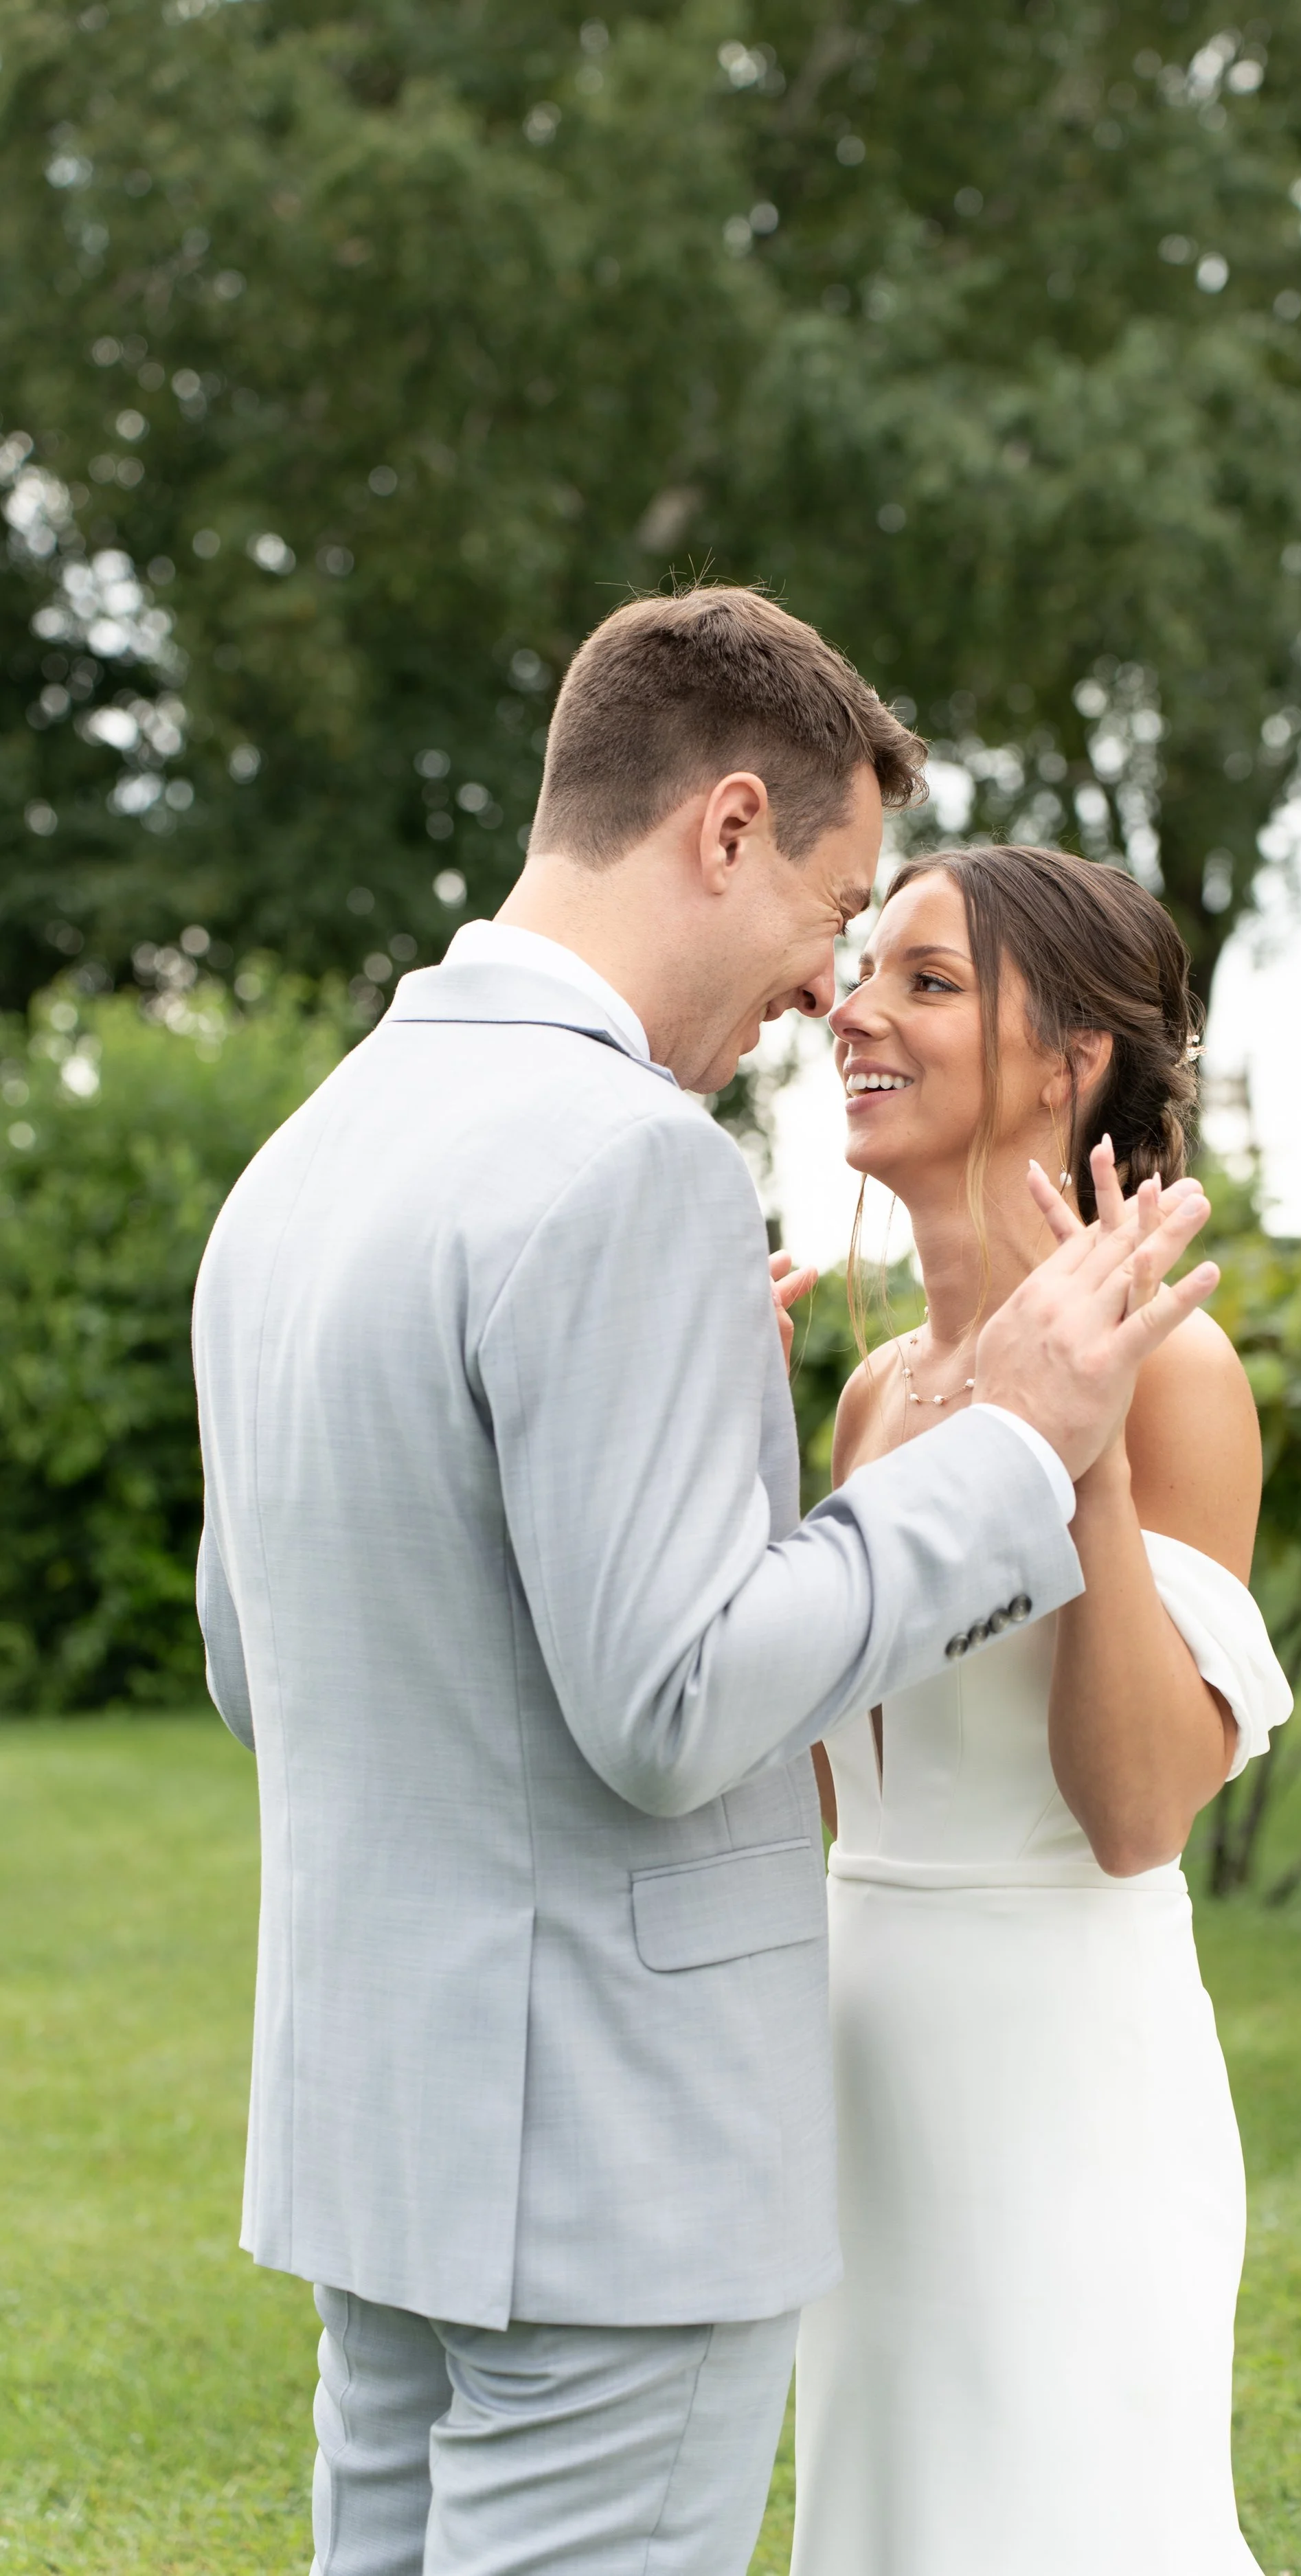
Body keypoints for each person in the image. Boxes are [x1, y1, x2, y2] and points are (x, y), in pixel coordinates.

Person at [191, 591, 1223, 2576]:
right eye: (834, 910)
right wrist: (1013, 1446)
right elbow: (668, 1707)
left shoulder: (302, 1162)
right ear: (726, 828)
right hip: (605, 2162)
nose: (814, 988)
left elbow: (264, 1659)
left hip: (381, 2136)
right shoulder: (628, 1158)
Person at [791, 845, 1293, 2576]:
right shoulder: (868, 1394)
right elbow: (837, 1791)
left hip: (1062, 2090)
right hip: (861, 2072)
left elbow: (1139, 1808)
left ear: (1071, 1058)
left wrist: (1067, 1458)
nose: (854, 1008)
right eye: (867, 969)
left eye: (926, 983)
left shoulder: (1174, 1368)